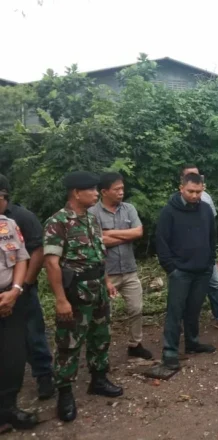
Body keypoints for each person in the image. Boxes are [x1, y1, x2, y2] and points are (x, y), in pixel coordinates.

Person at [43, 172, 122, 423]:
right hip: (75, 293)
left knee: (101, 335)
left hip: (97, 288)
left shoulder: (91, 219)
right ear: (76, 192)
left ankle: (98, 379)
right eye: (92, 190)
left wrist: (107, 281)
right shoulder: (58, 222)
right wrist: (60, 299)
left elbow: (99, 255)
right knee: (69, 343)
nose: (97, 193)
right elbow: (52, 264)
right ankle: (65, 393)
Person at [0, 175, 54, 400]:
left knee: (33, 336)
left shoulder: (19, 218)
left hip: (21, 289)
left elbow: (34, 252)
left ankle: (44, 377)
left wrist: (22, 287)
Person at [156, 173, 217, 371]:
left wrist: (210, 262)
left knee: (194, 309)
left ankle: (192, 342)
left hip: (202, 270)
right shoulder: (169, 211)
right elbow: (161, 241)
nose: (194, 195)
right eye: (190, 191)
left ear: (203, 189)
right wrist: (171, 268)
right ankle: (170, 350)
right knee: (175, 311)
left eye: (198, 191)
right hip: (180, 271)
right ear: (181, 188)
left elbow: (212, 237)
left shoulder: (206, 209)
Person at [88, 173, 152, 360]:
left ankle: (135, 344)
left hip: (129, 269)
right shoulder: (93, 213)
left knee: (136, 308)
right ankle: (101, 353)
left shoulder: (129, 209)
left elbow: (138, 232)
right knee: (104, 315)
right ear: (104, 192)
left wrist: (109, 234)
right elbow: (96, 241)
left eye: (122, 188)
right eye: (117, 189)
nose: (121, 192)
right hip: (106, 273)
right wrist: (122, 235)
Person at [181, 165, 218, 333]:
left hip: (205, 253)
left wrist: (211, 252)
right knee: (184, 289)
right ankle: (182, 322)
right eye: (189, 176)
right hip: (184, 256)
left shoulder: (205, 198)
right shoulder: (175, 202)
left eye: (196, 175)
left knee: (214, 284)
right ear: (182, 182)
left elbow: (211, 227)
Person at [0, 214, 37, 432]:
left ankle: (8, 409)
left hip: (9, 299)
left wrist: (15, 291)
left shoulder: (7, 224)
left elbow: (22, 258)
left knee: (13, 357)